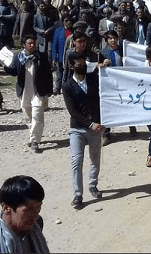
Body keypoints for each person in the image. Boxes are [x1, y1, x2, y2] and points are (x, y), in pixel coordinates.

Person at [62, 51, 103, 208]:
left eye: (84, 63)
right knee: (76, 160)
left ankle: (93, 185)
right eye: (79, 64)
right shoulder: (67, 87)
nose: (83, 66)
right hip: (77, 129)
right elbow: (73, 111)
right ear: (72, 67)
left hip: (95, 128)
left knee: (95, 159)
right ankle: (77, 194)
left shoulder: (93, 79)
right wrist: (90, 124)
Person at [4, 35, 53, 153]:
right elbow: (14, 71)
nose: (32, 45)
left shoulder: (41, 56)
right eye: (29, 43)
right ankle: (33, 135)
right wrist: (5, 66)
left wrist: (49, 90)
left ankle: (35, 140)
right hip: (25, 90)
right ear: (23, 45)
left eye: (33, 43)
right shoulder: (18, 57)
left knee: (37, 114)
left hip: (38, 90)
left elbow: (48, 74)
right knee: (27, 115)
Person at [0, 175, 50, 253]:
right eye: (29, 209)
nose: (35, 215)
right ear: (6, 208)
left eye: (38, 207)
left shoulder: (36, 224)